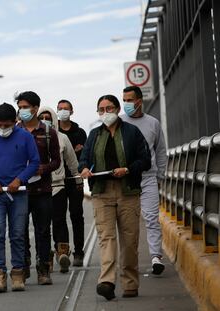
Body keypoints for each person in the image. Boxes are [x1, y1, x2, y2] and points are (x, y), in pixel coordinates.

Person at [79, 95, 151, 300]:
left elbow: (145, 160)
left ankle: (130, 283)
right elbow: (84, 159)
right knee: (106, 238)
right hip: (102, 192)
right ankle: (107, 281)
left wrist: (127, 169)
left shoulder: (132, 132)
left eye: (109, 108)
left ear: (118, 109)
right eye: (100, 109)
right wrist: (84, 169)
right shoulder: (94, 135)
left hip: (127, 191)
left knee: (129, 239)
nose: (105, 113)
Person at [0, 103, 40, 293]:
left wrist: (20, 180)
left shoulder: (25, 136)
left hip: (18, 194)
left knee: (18, 234)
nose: (2, 129)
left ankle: (18, 274)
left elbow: (34, 162)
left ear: (15, 122)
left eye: (6, 125)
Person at [121, 86, 167, 275]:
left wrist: (160, 176)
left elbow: (160, 151)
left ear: (139, 101)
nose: (126, 104)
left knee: (151, 218)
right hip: (125, 178)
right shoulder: (120, 122)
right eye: (124, 100)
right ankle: (128, 259)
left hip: (148, 178)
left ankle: (156, 256)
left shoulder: (153, 123)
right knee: (127, 223)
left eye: (129, 100)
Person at [16, 91, 61, 285]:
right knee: (21, 231)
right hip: (21, 191)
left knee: (43, 231)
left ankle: (43, 269)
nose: (22, 110)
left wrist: (43, 168)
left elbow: (57, 161)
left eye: (25, 107)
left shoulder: (48, 132)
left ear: (35, 108)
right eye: (20, 107)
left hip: (43, 190)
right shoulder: (15, 131)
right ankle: (24, 267)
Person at [37, 107, 81, 273]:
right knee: (42, 225)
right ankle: (45, 257)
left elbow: (72, 161)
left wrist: (77, 179)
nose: (46, 120)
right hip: (39, 188)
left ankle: (62, 252)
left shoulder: (62, 138)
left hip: (58, 186)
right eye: (42, 117)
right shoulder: (32, 137)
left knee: (59, 221)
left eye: (49, 117)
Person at [57, 99, 87, 266]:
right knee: (59, 217)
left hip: (75, 179)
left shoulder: (80, 132)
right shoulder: (53, 132)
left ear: (72, 111)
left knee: (76, 215)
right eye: (60, 109)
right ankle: (63, 250)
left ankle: (79, 252)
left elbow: (84, 154)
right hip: (58, 181)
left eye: (66, 109)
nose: (63, 111)